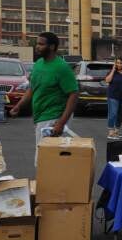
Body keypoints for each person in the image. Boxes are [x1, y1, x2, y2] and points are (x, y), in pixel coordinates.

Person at [9, 31, 78, 165]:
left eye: (41, 44)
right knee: (46, 159)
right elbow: (32, 88)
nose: (37, 47)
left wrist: (61, 122)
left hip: (52, 118)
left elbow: (73, 94)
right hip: (40, 117)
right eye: (37, 44)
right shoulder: (39, 63)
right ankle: (49, 184)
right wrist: (18, 106)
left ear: (52, 47)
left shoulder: (61, 68)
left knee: (44, 160)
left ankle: (49, 185)